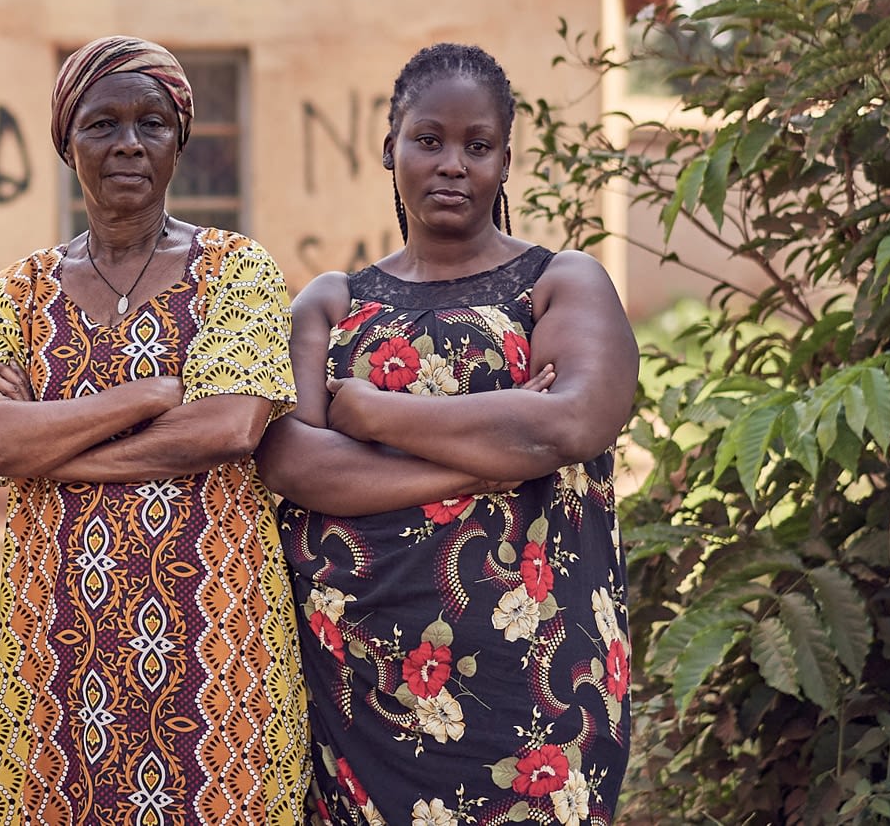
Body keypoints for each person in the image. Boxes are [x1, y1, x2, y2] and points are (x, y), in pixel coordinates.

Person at [257, 43, 638, 826]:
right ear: (389, 148)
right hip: (358, 683)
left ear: (505, 159)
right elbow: (296, 465)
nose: (452, 164)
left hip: (536, 679)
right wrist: (495, 453)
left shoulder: (560, 282)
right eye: (428, 140)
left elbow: (574, 422)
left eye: (478, 145)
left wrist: (373, 416)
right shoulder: (331, 305)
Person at [0, 35, 311, 824]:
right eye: (101, 124)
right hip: (61, 634)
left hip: (214, 629)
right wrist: (151, 392)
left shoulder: (236, 269)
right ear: (66, 142)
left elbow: (228, 427)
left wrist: (46, 444)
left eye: (152, 123)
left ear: (179, 141)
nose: (127, 144)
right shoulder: (19, 290)